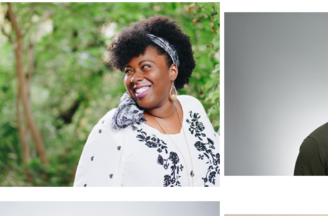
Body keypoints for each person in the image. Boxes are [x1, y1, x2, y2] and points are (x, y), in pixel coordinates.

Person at [73, 15, 222, 188]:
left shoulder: (193, 109)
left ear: (172, 70)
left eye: (145, 67)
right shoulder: (114, 127)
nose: (135, 78)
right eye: (129, 71)